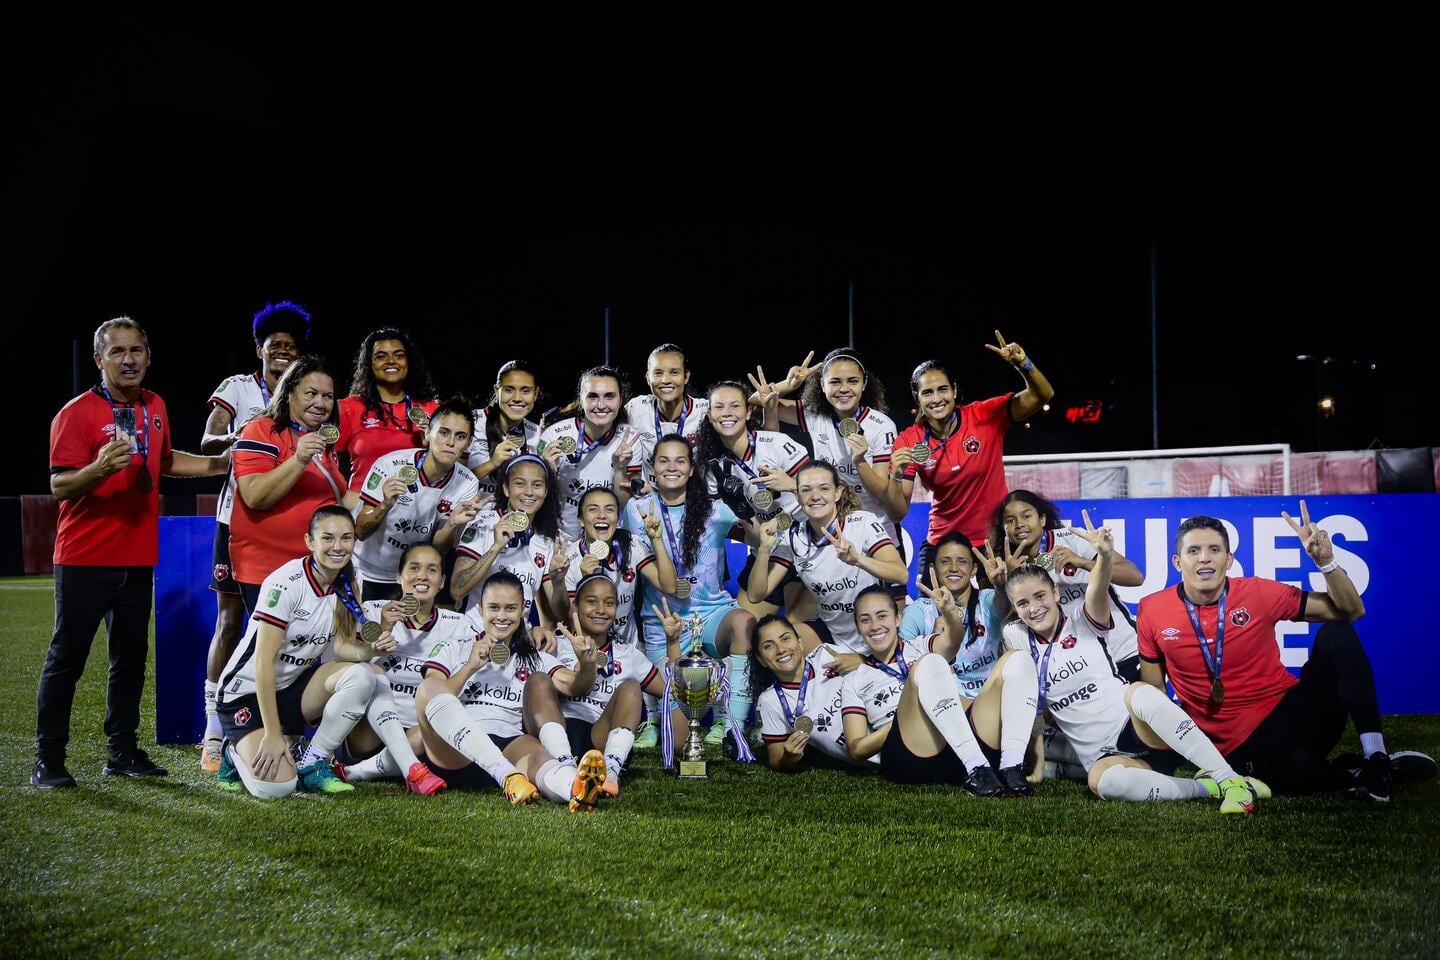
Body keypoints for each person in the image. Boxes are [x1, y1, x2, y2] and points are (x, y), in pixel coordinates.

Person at [33, 317, 229, 789]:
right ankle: (48, 759)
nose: (128, 359)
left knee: (130, 659)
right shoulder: (76, 413)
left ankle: (121, 751)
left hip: (138, 557)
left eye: (136, 350)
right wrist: (99, 469)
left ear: (148, 356)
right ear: (99, 360)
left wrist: (222, 463)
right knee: (67, 659)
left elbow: (165, 463)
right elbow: (59, 484)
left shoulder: (155, 406)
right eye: (117, 352)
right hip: (84, 558)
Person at [1138, 508, 1437, 802]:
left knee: (1337, 631)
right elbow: (1154, 694)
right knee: (1298, 776)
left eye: (1214, 549)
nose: (1204, 557)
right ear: (1178, 562)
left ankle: (1376, 758)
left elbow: (1351, 610)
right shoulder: (1152, 609)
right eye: (1194, 551)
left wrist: (1326, 563)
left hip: (1292, 713)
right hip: (1232, 744)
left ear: (1229, 560)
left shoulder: (1258, 592)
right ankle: (1354, 772)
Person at [1000, 516, 1268, 811]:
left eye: (1040, 596)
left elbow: (1098, 587)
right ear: (1015, 609)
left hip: (1139, 730)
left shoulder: (1083, 619)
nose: (1035, 608)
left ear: (1055, 593)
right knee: (1104, 784)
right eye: (1023, 604)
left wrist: (1102, 556)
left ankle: (1229, 780)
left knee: (1139, 692)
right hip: (1106, 758)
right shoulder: (1015, 637)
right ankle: (1207, 787)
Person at [214, 506, 445, 798]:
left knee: (364, 675)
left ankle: (313, 763)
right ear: (310, 542)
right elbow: (262, 664)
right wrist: (273, 735)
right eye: (328, 538)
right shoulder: (285, 583)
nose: (338, 547)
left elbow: (342, 647)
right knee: (276, 788)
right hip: (246, 692)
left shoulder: (349, 580)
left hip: (292, 687)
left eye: (346, 538)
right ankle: (232, 751)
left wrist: (370, 648)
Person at [196, 300, 310, 773]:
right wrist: (242, 437)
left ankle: (280, 727)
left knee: (288, 629)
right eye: (274, 345)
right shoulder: (239, 388)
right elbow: (208, 441)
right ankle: (213, 731)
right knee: (230, 623)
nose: (282, 352)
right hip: (236, 519)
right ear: (259, 350)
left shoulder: (308, 395)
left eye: (290, 346)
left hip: (294, 527)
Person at [415, 572, 609, 811]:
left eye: (510, 608)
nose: (502, 616)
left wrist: (587, 664)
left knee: (537, 754)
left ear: (523, 611)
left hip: (509, 745)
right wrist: (470, 666)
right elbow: (433, 696)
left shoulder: (534, 657)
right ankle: (506, 774)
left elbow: (574, 685)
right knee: (428, 687)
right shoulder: (455, 648)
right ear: (480, 610)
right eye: (494, 607)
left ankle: (573, 786)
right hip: (458, 752)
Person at [621, 435, 757, 749]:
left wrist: (744, 508)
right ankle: (654, 720)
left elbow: (760, 542)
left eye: (680, 461)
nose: (672, 467)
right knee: (680, 736)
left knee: (744, 622)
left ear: (692, 469)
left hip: (711, 615)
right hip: (664, 622)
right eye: (664, 460)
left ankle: (731, 727)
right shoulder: (636, 509)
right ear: (652, 467)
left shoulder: (715, 508)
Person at [839, 586, 1038, 796]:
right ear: (858, 628)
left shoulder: (919, 645)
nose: (875, 625)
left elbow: (951, 641)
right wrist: (904, 717)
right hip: (910, 755)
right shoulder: (855, 679)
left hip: (960, 742)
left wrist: (950, 613)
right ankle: (976, 768)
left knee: (1017, 659)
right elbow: (857, 749)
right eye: (865, 620)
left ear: (898, 618)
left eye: (882, 616)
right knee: (929, 662)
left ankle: (1011, 767)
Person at [885, 332, 1054, 567]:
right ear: (917, 398)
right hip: (944, 544)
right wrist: (895, 476)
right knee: (929, 604)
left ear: (954, 390)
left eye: (942, 389)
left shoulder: (984, 415)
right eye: (927, 392)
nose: (936, 399)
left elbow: (1042, 395)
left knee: (1000, 603)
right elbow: (897, 513)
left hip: (994, 542)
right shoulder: (909, 441)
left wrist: (1023, 365)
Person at [530, 574, 690, 797]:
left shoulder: (627, 654)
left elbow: (672, 691)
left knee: (632, 688)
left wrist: (672, 642)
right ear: (575, 606)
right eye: (591, 601)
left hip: (600, 737)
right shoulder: (556, 643)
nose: (600, 610)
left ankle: (611, 771)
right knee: (538, 680)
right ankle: (563, 768)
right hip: (563, 732)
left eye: (609, 603)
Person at [331, 544, 474, 787]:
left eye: (432, 570)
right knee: (372, 673)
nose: (422, 576)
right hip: (368, 733)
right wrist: (384, 628)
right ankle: (399, 765)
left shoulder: (459, 624)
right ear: (399, 575)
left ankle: (366, 771)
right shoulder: (373, 611)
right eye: (414, 568)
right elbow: (345, 665)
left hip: (419, 733)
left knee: (436, 722)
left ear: (441, 581)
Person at [752, 347, 904, 564]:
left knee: (885, 598)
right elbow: (757, 400)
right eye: (834, 382)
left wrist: (859, 462)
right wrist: (789, 385)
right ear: (822, 385)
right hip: (831, 530)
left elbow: (882, 494)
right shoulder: (816, 416)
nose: (844, 389)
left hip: (876, 530)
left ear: (864, 383)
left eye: (852, 381)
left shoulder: (881, 426)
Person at [748, 461, 910, 655]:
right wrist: (765, 549)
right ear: (798, 496)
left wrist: (858, 560)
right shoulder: (793, 536)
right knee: (787, 643)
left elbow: (901, 575)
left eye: (824, 488)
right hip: (832, 633)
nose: (815, 496)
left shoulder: (862, 522)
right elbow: (756, 595)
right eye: (806, 490)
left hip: (872, 627)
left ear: (837, 493)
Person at [229, 354, 351, 612]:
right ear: (289, 393)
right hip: (267, 568)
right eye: (311, 394)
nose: (320, 403)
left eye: (327, 396)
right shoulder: (260, 430)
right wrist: (299, 459)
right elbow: (254, 496)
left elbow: (339, 496)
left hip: (314, 566)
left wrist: (383, 499)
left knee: (305, 651)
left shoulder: (322, 440)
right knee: (268, 650)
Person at [987, 491, 1144, 675]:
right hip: (1080, 666)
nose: (1019, 524)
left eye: (1027, 516)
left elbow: (1135, 577)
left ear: (1042, 519)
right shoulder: (1009, 564)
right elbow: (1009, 619)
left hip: (1122, 651)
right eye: (1010, 520)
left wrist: (1083, 562)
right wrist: (1004, 584)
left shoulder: (1072, 540)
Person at [695, 380, 810, 618]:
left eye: (735, 406)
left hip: (809, 542)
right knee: (745, 632)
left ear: (748, 412)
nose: (727, 413)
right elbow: (728, 527)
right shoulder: (713, 469)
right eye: (719, 407)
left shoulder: (777, 444)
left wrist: (791, 484)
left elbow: (825, 493)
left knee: (796, 628)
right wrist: (745, 522)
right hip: (767, 549)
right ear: (709, 414)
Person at [353, 398, 484, 602]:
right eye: (443, 432)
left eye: (460, 437)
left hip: (410, 580)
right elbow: (360, 531)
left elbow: (438, 549)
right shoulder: (390, 465)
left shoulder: (468, 484)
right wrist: (385, 504)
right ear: (428, 433)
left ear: (468, 443)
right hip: (363, 571)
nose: (450, 442)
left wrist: (451, 524)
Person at [450, 454, 566, 639]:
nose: (529, 492)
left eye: (537, 485)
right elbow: (457, 590)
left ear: (545, 491)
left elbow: (560, 613)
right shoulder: (483, 524)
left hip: (518, 642)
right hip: (473, 636)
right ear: (506, 489)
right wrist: (495, 547)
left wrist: (558, 581)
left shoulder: (546, 540)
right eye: (520, 484)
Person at [546, 487, 677, 645]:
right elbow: (565, 617)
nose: (602, 515)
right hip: (585, 649)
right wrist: (582, 581)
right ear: (581, 520)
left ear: (617, 517)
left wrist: (656, 539)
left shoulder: (632, 545)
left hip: (628, 651)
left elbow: (669, 586)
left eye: (609, 510)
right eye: (593, 509)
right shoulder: (567, 559)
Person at [536, 365, 645, 540]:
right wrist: (546, 472)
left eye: (609, 396)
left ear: (620, 399)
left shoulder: (630, 440)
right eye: (593, 396)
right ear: (581, 399)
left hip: (608, 538)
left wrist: (619, 469)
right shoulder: (555, 435)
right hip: (560, 538)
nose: (601, 405)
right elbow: (536, 501)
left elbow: (623, 505)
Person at [897, 533, 1006, 700]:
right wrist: (933, 644)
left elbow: (1005, 604)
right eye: (945, 561)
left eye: (962, 561)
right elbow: (900, 662)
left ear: (974, 569)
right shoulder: (918, 612)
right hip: (944, 704)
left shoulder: (987, 600)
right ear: (933, 568)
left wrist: (1001, 585)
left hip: (990, 699)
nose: (954, 568)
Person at [751, 613, 868, 770]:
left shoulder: (826, 655)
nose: (780, 649)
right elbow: (775, 758)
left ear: (799, 642)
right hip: (872, 755)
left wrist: (864, 660)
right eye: (768, 646)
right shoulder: (769, 701)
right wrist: (788, 759)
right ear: (761, 659)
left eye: (785, 639)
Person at [335, 327, 440, 491]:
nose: (391, 361)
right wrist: (344, 496)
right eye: (381, 356)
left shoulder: (430, 408)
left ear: (408, 362)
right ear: (370, 364)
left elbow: (447, 464)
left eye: (399, 355)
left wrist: (433, 446)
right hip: (364, 509)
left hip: (417, 509)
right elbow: (328, 461)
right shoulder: (349, 408)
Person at [626, 343, 709, 481]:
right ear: (647, 377)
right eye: (658, 373)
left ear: (686, 376)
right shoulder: (636, 408)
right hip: (651, 497)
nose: (665, 380)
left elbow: (740, 408)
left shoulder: (704, 411)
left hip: (693, 499)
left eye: (674, 372)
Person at [466, 359, 543, 502]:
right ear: (496, 390)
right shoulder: (472, 421)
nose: (517, 398)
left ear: (536, 394)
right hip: (468, 514)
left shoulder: (536, 433)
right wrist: (492, 464)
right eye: (509, 390)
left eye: (526, 390)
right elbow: (451, 479)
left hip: (512, 517)